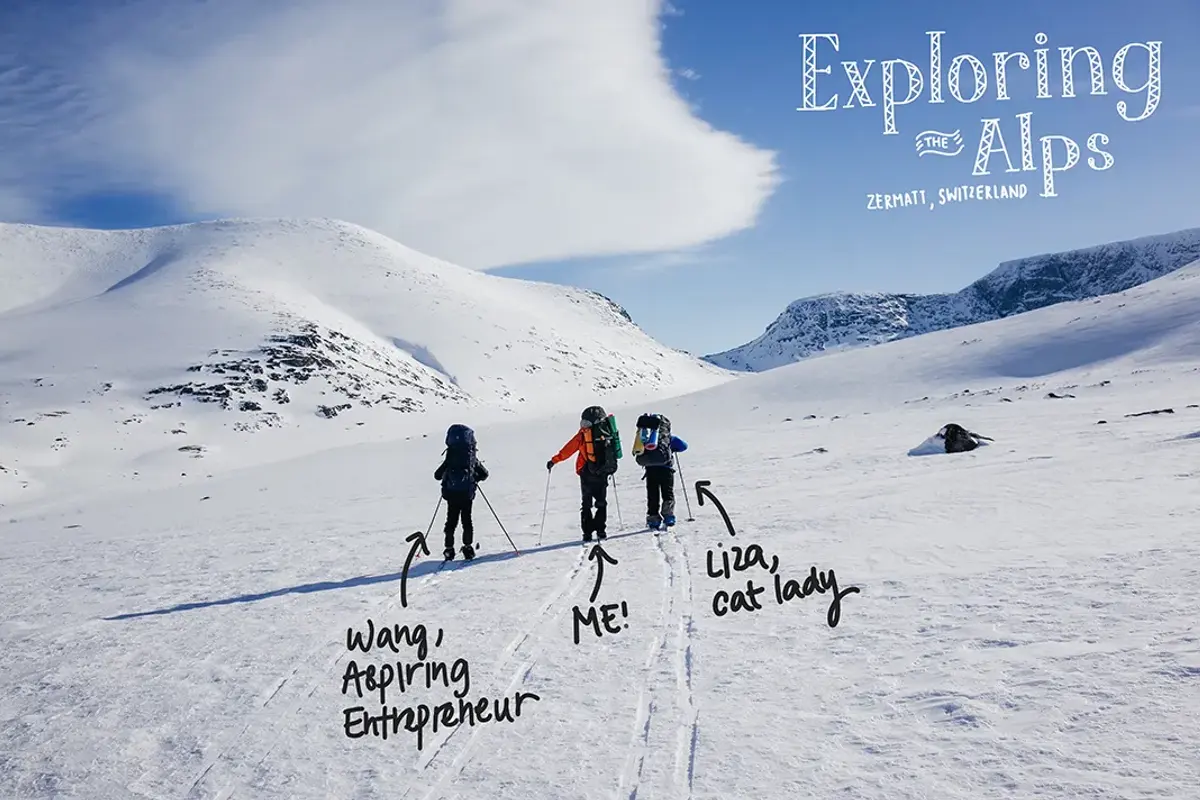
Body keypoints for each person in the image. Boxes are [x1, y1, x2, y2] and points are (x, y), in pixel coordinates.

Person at [547, 405, 620, 542]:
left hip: (586, 471)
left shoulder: (584, 434)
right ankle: (601, 530)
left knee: (586, 503)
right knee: (601, 501)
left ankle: (587, 533)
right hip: (602, 472)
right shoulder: (607, 431)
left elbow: (568, 449)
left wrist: (554, 461)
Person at [434, 424, 489, 561]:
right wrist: (474, 478)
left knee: (451, 522)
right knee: (467, 520)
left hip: (451, 494)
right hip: (467, 494)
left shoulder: (450, 457)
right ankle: (468, 548)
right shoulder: (471, 457)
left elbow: (437, 475)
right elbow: (484, 474)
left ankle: (449, 549)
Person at [632, 413, 687, 530]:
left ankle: (653, 518)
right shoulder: (668, 438)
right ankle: (668, 516)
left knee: (653, 494)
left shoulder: (646, 438)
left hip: (651, 470)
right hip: (666, 469)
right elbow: (684, 446)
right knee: (667, 493)